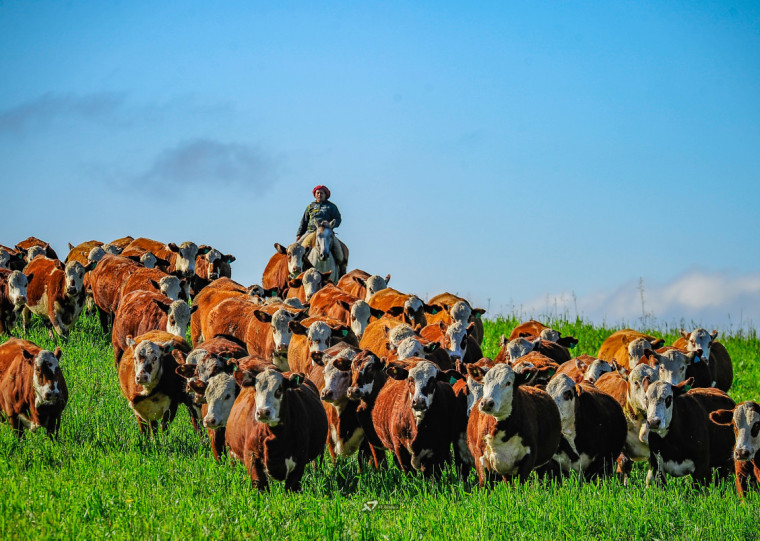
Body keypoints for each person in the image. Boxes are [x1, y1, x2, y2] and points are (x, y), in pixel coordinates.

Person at [296, 185, 345, 274]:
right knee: (296, 250)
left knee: (341, 253)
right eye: (317, 193)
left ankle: (342, 275)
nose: (319, 195)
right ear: (315, 195)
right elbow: (304, 221)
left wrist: (331, 225)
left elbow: (338, 219)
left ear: (325, 195)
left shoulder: (331, 206)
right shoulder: (310, 206)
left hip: (327, 232)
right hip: (311, 232)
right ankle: (295, 275)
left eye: (321, 193)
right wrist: (299, 234)